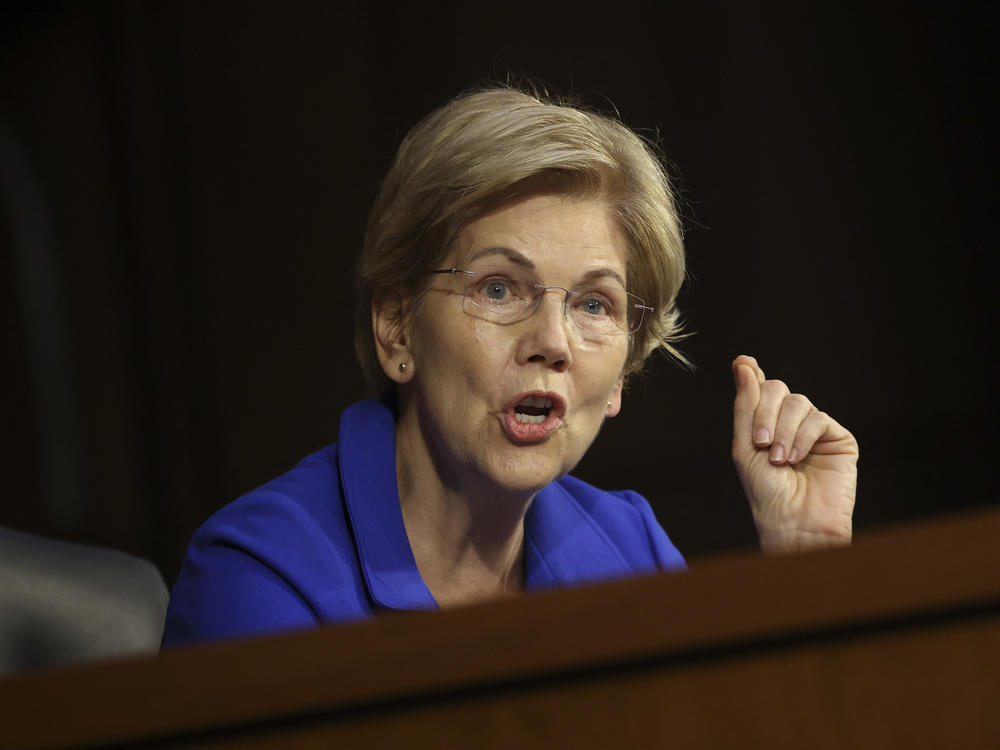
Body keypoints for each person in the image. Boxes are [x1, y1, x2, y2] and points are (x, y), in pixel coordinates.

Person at [160, 86, 858, 647]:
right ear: (396, 327)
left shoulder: (629, 550)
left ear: (621, 376)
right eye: (499, 289)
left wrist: (808, 569)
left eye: (593, 304)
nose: (551, 340)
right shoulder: (262, 575)